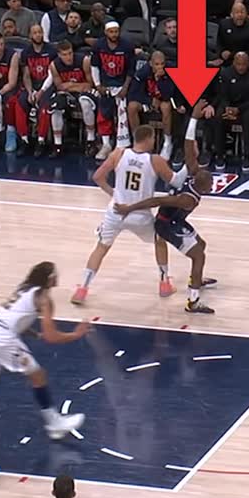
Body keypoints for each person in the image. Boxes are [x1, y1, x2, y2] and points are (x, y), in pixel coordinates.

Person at [0, 262, 88, 439]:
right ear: (50, 278)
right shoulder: (44, 298)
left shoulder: (24, 289)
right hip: (2, 338)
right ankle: (54, 423)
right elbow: (52, 337)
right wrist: (75, 334)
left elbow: (15, 319)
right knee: (38, 375)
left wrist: (35, 335)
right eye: (55, 274)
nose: (58, 277)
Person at [115, 103, 216, 315]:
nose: (212, 186)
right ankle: (193, 301)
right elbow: (156, 201)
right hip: (165, 224)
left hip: (175, 220)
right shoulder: (187, 200)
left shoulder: (193, 172)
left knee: (201, 245)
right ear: (203, 187)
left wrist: (194, 118)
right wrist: (129, 208)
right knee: (198, 256)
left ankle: (195, 279)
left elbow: (188, 146)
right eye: (210, 185)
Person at [71, 125, 188, 305]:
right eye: (153, 138)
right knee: (160, 240)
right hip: (140, 214)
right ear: (148, 139)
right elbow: (177, 181)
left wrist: (113, 193)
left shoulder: (118, 154)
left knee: (101, 248)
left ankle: (82, 289)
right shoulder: (155, 160)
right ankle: (164, 283)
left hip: (116, 212)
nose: (154, 141)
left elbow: (97, 177)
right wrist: (190, 164)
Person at [207, 52, 249, 172]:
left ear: (248, 64)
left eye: (244, 64)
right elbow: (222, 94)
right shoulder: (226, 73)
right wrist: (227, 107)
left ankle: (247, 156)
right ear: (233, 63)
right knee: (219, 116)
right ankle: (220, 154)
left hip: (248, 106)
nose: (241, 67)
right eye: (238, 64)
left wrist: (238, 109)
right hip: (230, 105)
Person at [91, 21, 135, 161]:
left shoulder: (127, 46)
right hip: (105, 85)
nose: (114, 34)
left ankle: (122, 145)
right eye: (111, 32)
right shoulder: (98, 46)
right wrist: (98, 85)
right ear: (106, 32)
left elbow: (131, 70)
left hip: (122, 85)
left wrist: (125, 88)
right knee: (103, 112)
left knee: (122, 113)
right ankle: (106, 144)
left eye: (116, 31)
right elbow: (94, 66)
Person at [48, 40, 97, 157]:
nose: (68, 57)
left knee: (85, 102)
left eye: (70, 53)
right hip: (68, 93)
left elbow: (90, 84)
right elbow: (60, 86)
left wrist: (70, 85)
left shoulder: (84, 61)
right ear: (59, 55)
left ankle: (91, 140)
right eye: (65, 54)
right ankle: (58, 144)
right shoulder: (54, 65)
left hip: (85, 93)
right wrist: (77, 86)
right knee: (56, 106)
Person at [16, 23, 57, 155]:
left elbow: (52, 74)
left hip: (48, 86)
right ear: (30, 35)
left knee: (45, 106)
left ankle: (41, 140)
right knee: (20, 103)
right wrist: (30, 92)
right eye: (35, 33)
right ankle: (24, 139)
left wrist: (41, 91)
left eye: (40, 32)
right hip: (32, 86)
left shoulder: (51, 50)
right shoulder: (26, 52)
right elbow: (26, 75)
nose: (38, 35)